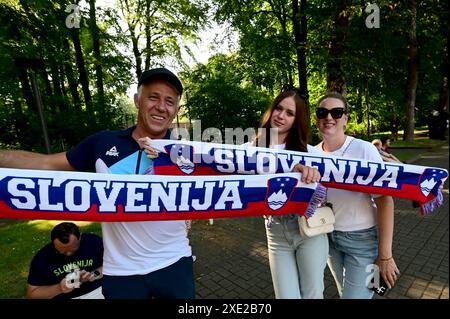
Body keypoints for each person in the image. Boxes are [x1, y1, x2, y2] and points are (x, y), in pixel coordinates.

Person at [0, 68, 194, 299]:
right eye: (153, 97)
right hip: (121, 270)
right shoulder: (103, 142)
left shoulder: (189, 152)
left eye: (169, 101)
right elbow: (47, 163)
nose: (161, 106)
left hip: (174, 260)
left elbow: (214, 192)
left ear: (176, 110)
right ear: (137, 100)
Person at [315, 92, 400, 299]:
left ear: (345, 118)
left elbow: (384, 200)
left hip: (361, 240)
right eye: (322, 112)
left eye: (336, 112)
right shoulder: (312, 153)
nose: (329, 117)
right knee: (346, 292)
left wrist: (385, 255)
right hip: (328, 238)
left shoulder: (364, 150)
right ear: (316, 119)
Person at [252, 86, 325, 299]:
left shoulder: (311, 153)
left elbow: (327, 190)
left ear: (297, 120)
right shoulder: (251, 149)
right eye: (278, 108)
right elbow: (215, 165)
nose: (281, 116)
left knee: (312, 295)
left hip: (307, 230)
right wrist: (163, 152)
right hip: (275, 231)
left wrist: (310, 176)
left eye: (290, 113)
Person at [27, 222, 104, 299]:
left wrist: (94, 274)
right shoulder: (42, 257)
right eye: (62, 251)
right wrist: (60, 288)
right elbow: (32, 293)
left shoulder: (93, 242)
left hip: (97, 291)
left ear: (80, 237)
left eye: (73, 249)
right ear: (53, 243)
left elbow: (113, 264)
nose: (68, 254)